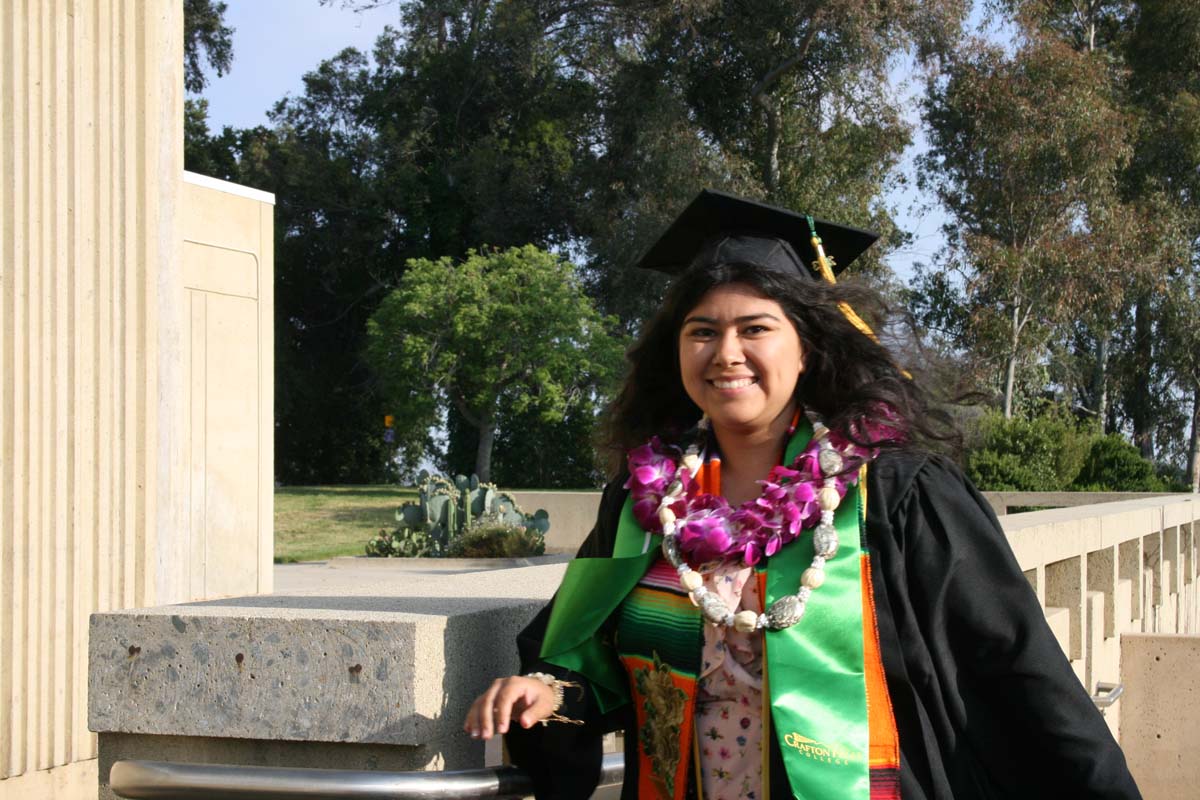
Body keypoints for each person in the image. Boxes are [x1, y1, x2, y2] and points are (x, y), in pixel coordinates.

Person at [463, 190, 1142, 800]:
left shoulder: (898, 494)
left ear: (807, 349)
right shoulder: (646, 504)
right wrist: (544, 694)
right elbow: (586, 654)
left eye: (754, 329)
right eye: (702, 331)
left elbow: (1020, 673)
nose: (725, 353)